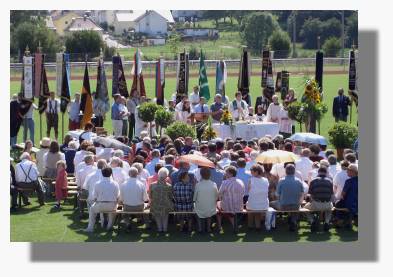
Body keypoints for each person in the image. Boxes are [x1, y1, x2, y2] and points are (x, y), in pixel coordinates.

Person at [270, 164, 304, 231]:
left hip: (283, 206)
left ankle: (273, 224)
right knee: (296, 207)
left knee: (270, 204)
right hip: (295, 205)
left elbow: (277, 194)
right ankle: (293, 221)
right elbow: (302, 193)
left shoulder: (281, 181)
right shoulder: (299, 181)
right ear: (294, 171)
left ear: (285, 171)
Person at [85, 167, 120, 232]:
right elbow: (118, 196)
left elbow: (94, 197)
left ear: (102, 173)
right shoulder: (116, 184)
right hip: (111, 206)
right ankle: (109, 226)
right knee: (113, 210)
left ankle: (90, 228)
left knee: (92, 210)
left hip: (100, 205)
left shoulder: (97, 183)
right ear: (111, 174)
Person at [304, 166, 334, 232]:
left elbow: (309, 195)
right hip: (327, 204)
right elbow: (332, 195)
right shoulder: (330, 181)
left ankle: (312, 221)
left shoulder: (313, 181)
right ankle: (327, 222)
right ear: (326, 173)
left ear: (318, 172)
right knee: (330, 209)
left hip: (316, 204)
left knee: (304, 208)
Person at [119, 167, 149, 231]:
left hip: (127, 207)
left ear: (129, 174)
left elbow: (121, 199)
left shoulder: (123, 185)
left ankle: (127, 223)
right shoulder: (141, 184)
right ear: (137, 174)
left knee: (124, 214)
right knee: (145, 211)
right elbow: (145, 198)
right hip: (139, 207)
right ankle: (147, 224)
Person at [217, 166, 245, 232]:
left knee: (218, 207)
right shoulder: (240, 181)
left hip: (228, 207)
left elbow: (219, 194)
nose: (225, 174)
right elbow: (243, 194)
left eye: (226, 173)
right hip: (239, 206)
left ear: (231, 174)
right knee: (223, 206)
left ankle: (219, 226)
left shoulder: (225, 182)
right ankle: (233, 225)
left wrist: (222, 198)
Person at [193, 167, 219, 233]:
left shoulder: (198, 185)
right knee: (209, 213)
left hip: (200, 206)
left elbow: (194, 198)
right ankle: (208, 228)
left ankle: (200, 228)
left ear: (201, 175)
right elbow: (216, 196)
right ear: (210, 174)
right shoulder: (214, 184)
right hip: (211, 206)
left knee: (198, 210)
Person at [149, 168, 174, 233]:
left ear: (158, 175)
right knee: (165, 215)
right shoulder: (169, 186)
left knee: (157, 215)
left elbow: (150, 196)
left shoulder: (152, 185)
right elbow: (171, 197)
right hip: (166, 205)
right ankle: (165, 229)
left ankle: (160, 229)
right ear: (166, 176)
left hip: (155, 205)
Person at [246, 164, 269, 230]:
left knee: (251, 207)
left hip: (255, 204)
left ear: (256, 172)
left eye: (252, 172)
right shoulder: (266, 180)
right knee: (255, 208)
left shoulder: (251, 179)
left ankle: (250, 226)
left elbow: (248, 190)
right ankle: (257, 226)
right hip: (264, 204)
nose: (251, 173)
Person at [336, 164, 358, 228]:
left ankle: (341, 222)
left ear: (352, 172)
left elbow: (343, 194)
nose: (346, 171)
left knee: (338, 203)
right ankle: (350, 220)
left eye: (348, 170)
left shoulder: (349, 181)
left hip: (351, 205)